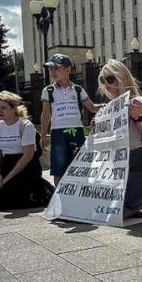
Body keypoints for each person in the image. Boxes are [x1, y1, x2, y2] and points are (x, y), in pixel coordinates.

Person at [97, 59, 142, 219]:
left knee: (120, 212)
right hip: (122, 165)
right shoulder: (108, 108)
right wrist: (98, 128)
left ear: (122, 77)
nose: (106, 84)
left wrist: (137, 118)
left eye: (110, 79)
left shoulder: (136, 102)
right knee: (108, 206)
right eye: (102, 80)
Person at [0, 91, 53, 211]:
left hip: (26, 165)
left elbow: (28, 155)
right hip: (6, 164)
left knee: (15, 196)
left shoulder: (25, 125)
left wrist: (8, 177)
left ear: (13, 108)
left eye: (3, 108)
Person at [40, 53, 100, 186]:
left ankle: (78, 194)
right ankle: (59, 198)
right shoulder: (48, 90)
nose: (53, 72)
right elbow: (46, 113)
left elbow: (91, 107)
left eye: (56, 68)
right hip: (58, 133)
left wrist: (108, 106)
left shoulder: (77, 90)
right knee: (59, 167)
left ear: (68, 70)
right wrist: (43, 134)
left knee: (80, 164)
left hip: (77, 131)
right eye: (50, 69)